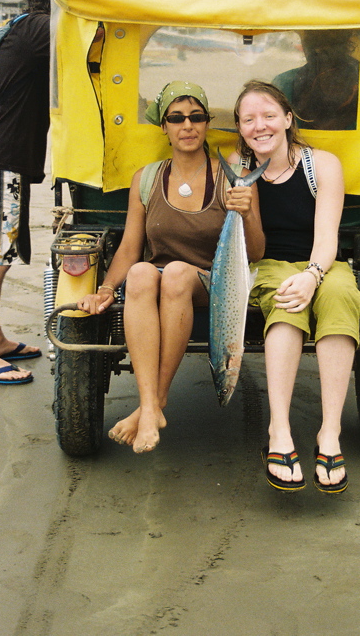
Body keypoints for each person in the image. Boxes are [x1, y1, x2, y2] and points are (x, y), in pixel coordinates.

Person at [77, 81, 264, 454]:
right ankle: (150, 406)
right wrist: (106, 288)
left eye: (196, 117)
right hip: (157, 281)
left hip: (213, 281)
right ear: (164, 127)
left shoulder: (231, 174)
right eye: (176, 118)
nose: (187, 126)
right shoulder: (146, 179)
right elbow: (131, 247)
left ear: (208, 122)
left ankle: (154, 403)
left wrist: (245, 211)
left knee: (177, 272)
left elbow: (255, 252)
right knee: (141, 273)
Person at [231, 80, 360, 493]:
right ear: (239, 128)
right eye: (249, 119)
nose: (261, 126)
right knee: (286, 302)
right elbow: (247, 247)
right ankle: (280, 430)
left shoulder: (321, 164)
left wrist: (313, 275)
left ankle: (330, 433)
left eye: (269, 115)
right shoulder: (238, 169)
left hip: (320, 260)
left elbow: (326, 237)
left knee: (342, 296)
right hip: (267, 263)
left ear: (288, 119)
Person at [0, 0, 51, 386]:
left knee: (0, 253)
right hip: (3, 161)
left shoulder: (19, 27)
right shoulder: (41, 28)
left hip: (0, 158)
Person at [273, 29, 360, 130]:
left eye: (330, 41)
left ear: (347, 41)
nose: (318, 49)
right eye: (313, 41)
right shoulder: (284, 83)